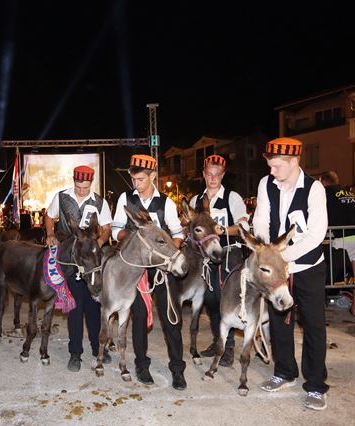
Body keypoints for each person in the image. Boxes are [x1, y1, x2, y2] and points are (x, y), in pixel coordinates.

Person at [253, 137, 329, 411]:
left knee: (314, 326)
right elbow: (261, 219)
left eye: (276, 166)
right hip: (278, 270)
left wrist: (281, 257)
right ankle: (284, 372)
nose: (271, 171)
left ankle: (316, 385)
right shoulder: (266, 184)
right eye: (270, 166)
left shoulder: (314, 189)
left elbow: (316, 234)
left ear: (294, 161)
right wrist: (264, 247)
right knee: (279, 322)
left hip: (307, 268)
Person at [111, 154, 187, 390]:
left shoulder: (166, 203)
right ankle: (141, 365)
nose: (136, 184)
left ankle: (177, 369)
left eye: (141, 179)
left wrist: (168, 255)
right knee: (139, 317)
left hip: (161, 270)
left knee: (171, 318)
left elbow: (178, 234)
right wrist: (133, 237)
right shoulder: (126, 198)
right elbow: (116, 231)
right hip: (136, 270)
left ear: (153, 176)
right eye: (133, 179)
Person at [44, 165, 112, 372]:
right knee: (74, 306)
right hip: (70, 258)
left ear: (91, 183)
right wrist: (50, 233)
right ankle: (75, 353)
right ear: (74, 181)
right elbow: (49, 217)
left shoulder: (99, 201)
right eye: (78, 186)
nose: (81, 190)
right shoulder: (62, 197)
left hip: (90, 259)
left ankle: (96, 347)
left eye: (85, 187)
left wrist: (97, 244)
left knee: (93, 306)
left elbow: (107, 228)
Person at [189, 154, 249, 366]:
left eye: (217, 174)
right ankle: (218, 341)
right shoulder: (196, 200)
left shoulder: (232, 197)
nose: (213, 178)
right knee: (211, 300)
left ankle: (228, 348)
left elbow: (243, 226)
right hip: (205, 258)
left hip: (229, 252)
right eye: (209, 174)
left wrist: (223, 230)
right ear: (204, 175)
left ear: (222, 175)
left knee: (227, 300)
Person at [320, 171, 355, 289]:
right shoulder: (349, 193)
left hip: (342, 239)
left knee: (329, 265)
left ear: (324, 182)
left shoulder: (326, 193)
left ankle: (329, 292)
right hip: (352, 234)